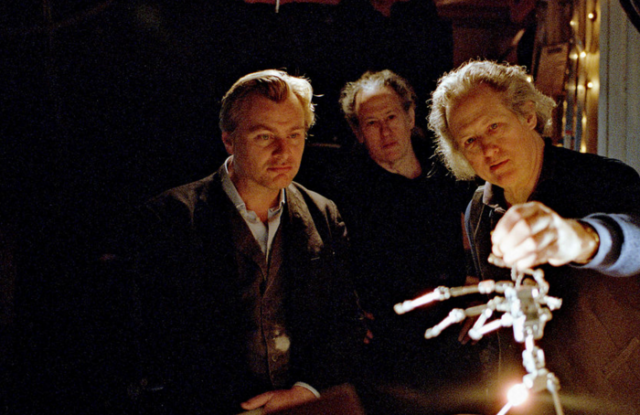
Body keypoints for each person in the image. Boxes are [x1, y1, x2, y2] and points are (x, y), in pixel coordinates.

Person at [427, 60, 640, 415]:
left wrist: (577, 239)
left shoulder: (603, 178)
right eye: (470, 140)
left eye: (494, 126)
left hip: (633, 398)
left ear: (528, 115)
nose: (487, 149)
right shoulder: (479, 210)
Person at [132, 70, 365, 415]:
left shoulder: (323, 214)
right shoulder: (169, 219)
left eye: (294, 135)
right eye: (264, 136)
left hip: (305, 405)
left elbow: (345, 322)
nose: (284, 151)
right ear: (229, 140)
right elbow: (156, 340)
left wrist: (307, 389)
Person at [326, 69, 481, 414]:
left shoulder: (448, 168)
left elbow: (476, 236)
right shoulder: (346, 193)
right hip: (393, 350)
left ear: (410, 117)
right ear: (358, 132)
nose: (385, 131)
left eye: (392, 117)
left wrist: (479, 292)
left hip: (458, 334)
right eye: (371, 123)